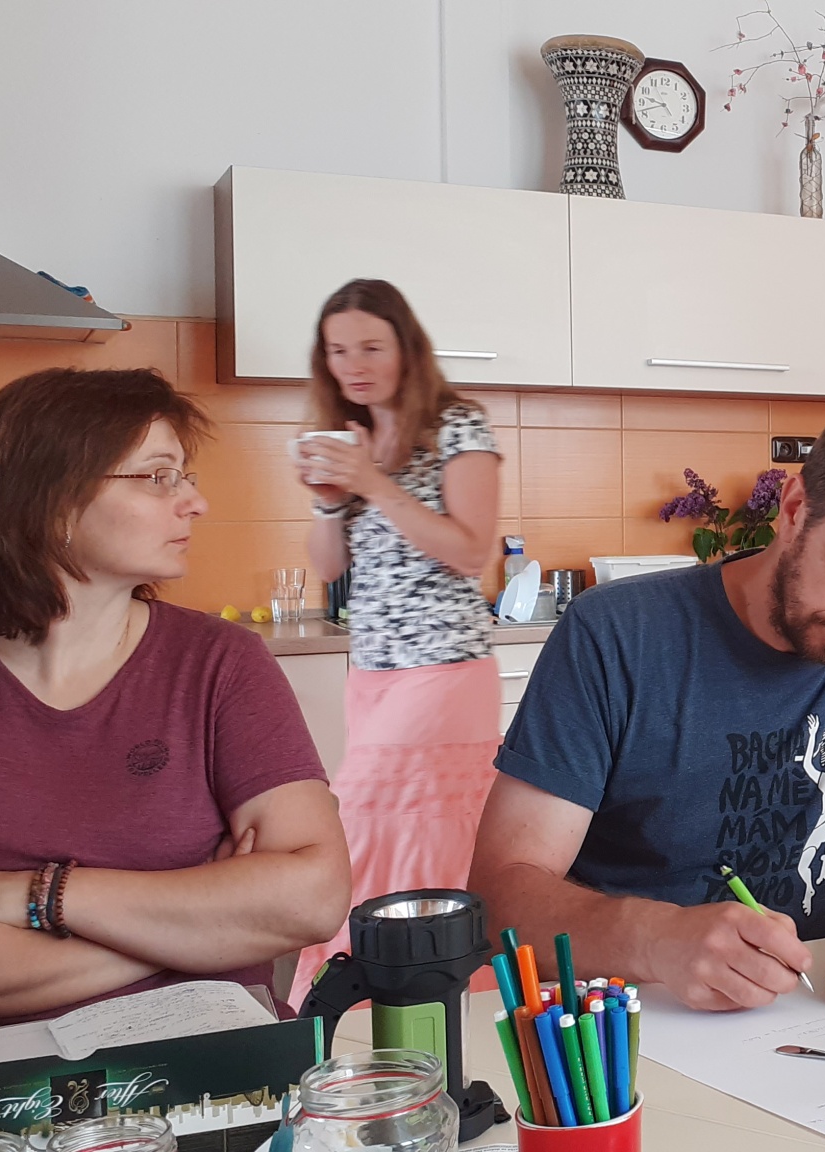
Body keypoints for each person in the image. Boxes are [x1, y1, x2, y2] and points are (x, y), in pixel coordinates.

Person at [469, 400, 825, 1015]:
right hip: (636, 1017)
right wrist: (653, 938)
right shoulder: (617, 633)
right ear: (794, 509)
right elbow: (500, 896)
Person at [0, 368, 350, 1026]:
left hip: (221, 1064)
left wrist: (41, 895)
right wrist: (195, 929)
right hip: (6, 1079)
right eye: (157, 477)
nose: (194, 502)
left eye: (184, 476)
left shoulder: (220, 663)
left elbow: (312, 898)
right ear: (52, 501)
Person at [288, 280, 503, 1006]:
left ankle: (375, 987)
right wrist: (328, 502)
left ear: (407, 349)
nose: (353, 364)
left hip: (445, 672)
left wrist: (374, 482)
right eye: (337, 350)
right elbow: (329, 568)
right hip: (374, 676)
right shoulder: (351, 440)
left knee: (373, 823)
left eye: (371, 347)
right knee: (385, 827)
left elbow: (471, 551)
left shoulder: (458, 428)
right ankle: (396, 990)